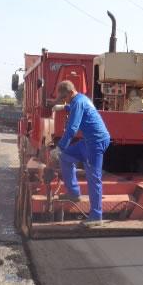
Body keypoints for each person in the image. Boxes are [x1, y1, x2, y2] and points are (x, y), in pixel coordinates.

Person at [53, 81, 111, 227]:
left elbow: (72, 129)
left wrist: (59, 147)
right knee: (65, 156)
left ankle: (96, 216)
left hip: (96, 142)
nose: (64, 100)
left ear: (71, 93)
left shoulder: (78, 102)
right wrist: (64, 107)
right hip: (88, 141)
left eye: (65, 98)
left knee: (93, 177)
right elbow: (74, 106)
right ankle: (74, 193)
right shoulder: (80, 99)